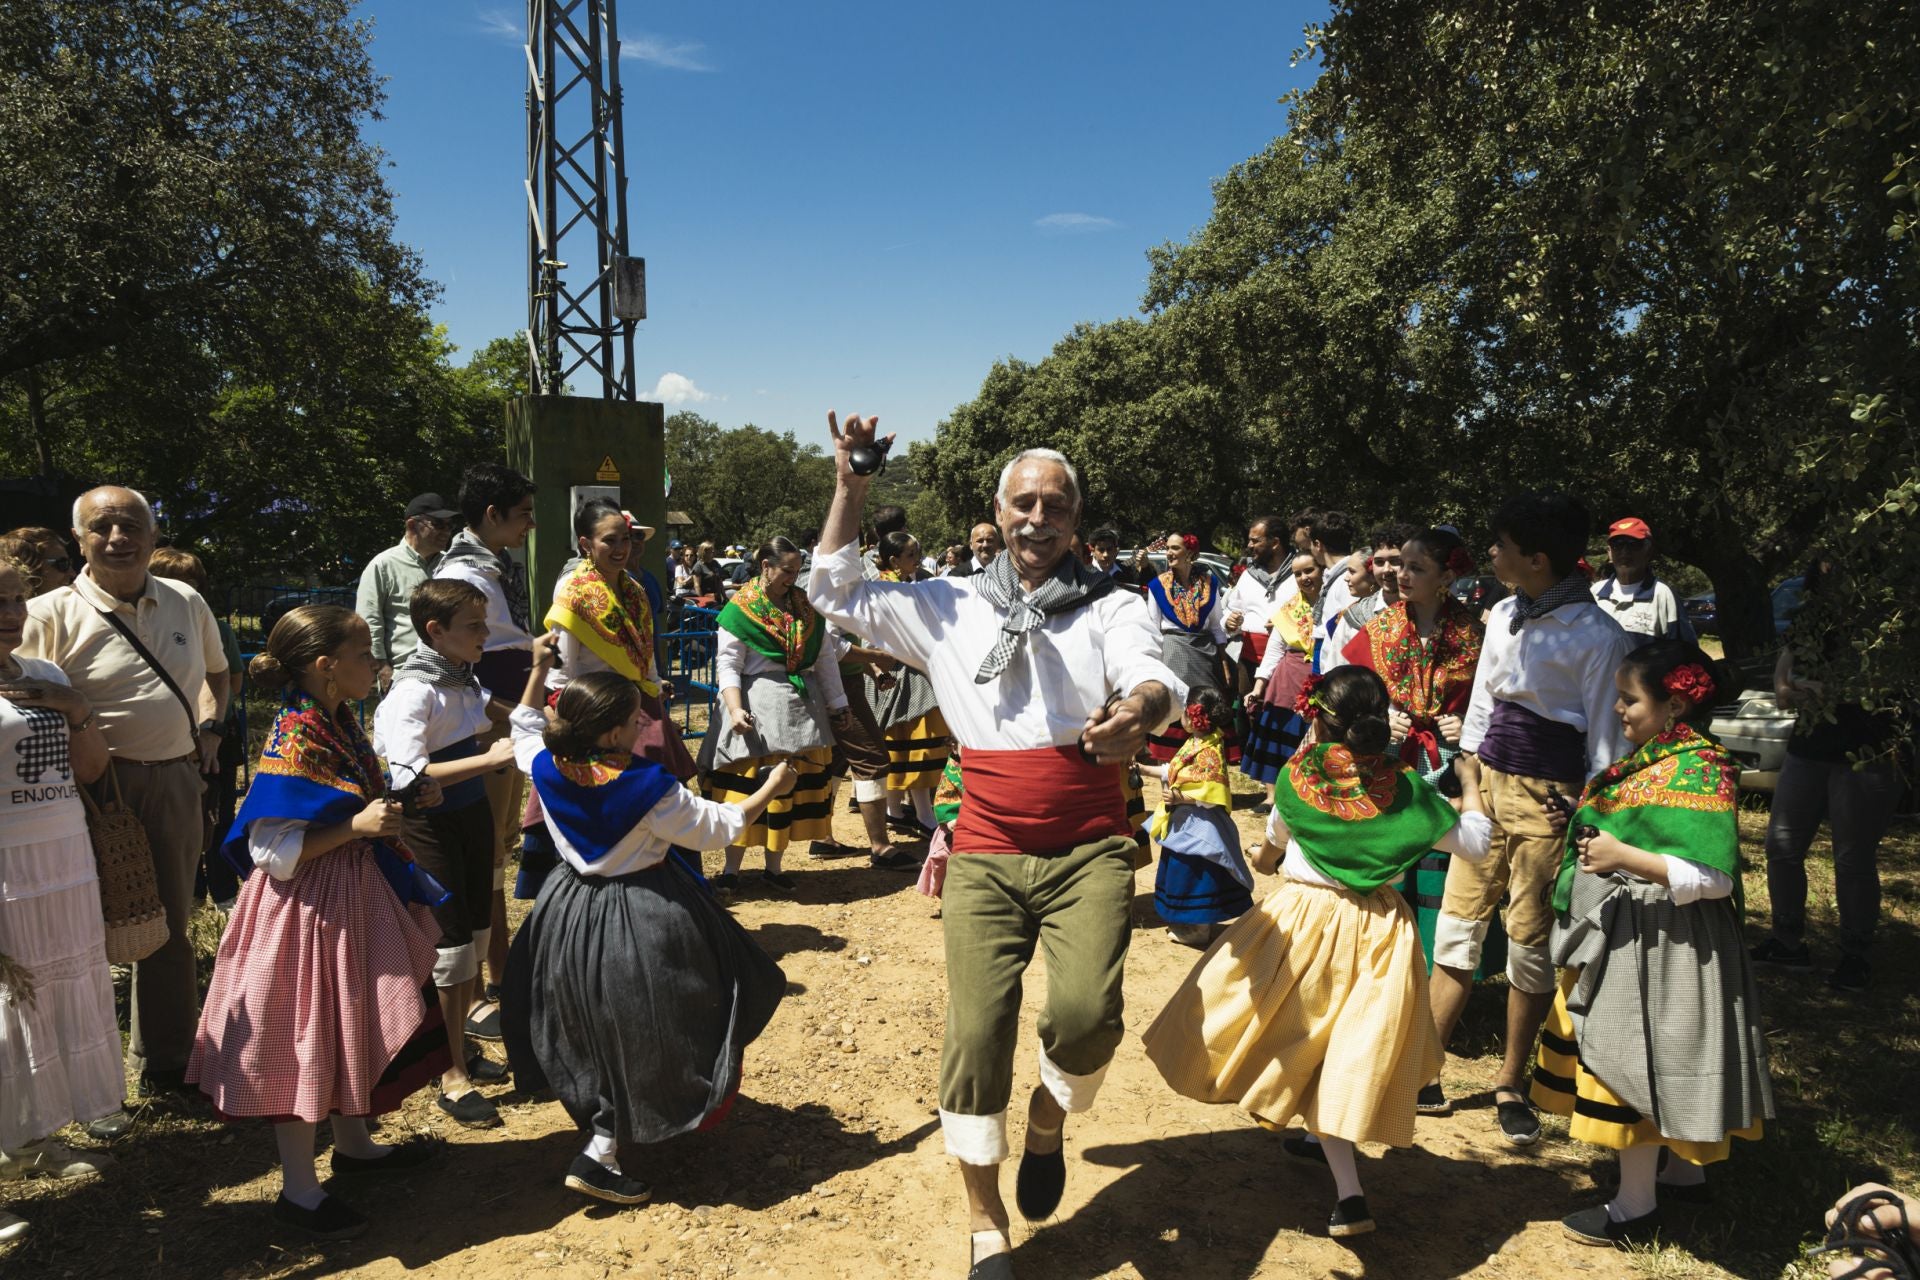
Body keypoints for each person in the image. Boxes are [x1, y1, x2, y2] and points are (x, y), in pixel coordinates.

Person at [810, 414, 1179, 1280]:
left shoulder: (1113, 605)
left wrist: (1142, 711)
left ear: (1075, 521)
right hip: (982, 847)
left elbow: (1153, 672)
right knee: (976, 1035)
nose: (1037, 518)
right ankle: (986, 1225)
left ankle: (1048, 1121)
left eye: (1055, 505)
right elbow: (833, 588)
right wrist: (852, 484)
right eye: (1024, 503)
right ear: (999, 511)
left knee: (1086, 1019)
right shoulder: (947, 606)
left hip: (1089, 845)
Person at [1143, 667, 1491, 1239]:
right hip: (1378, 930)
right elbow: (1475, 846)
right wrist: (1472, 785)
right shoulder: (1407, 791)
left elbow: (1276, 841)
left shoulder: (1299, 778)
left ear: (1319, 719)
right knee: (1346, 1045)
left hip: (1302, 920)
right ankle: (1335, 1169)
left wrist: (1264, 857)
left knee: (1290, 1030)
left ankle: (1349, 1189)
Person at [188, 605, 449, 1239]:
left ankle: (355, 1146)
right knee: (306, 1034)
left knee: (345, 1024)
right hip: (304, 913)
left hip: (347, 901)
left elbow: (349, 797)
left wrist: (404, 797)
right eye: (364, 656)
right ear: (327, 668)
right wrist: (354, 828)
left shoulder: (334, 724)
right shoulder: (295, 736)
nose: (375, 666)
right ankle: (299, 1191)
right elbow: (269, 853)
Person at [502, 646, 795, 1205]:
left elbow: (524, 726)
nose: (644, 719)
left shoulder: (545, 759)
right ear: (612, 733)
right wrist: (771, 789)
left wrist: (539, 670)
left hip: (566, 907)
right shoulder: (650, 788)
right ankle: (605, 1149)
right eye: (635, 715)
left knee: (587, 1021)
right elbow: (722, 827)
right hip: (641, 912)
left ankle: (602, 1128)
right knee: (653, 1022)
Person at [1532, 639, 1771, 1246]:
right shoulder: (1656, 758)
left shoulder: (1701, 768)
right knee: (1667, 1057)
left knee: (1633, 1059)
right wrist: (1585, 824)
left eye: (1629, 699)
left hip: (1668, 945)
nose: (1617, 710)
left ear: (1674, 706)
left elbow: (1714, 878)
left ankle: (1635, 1207)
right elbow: (1631, 823)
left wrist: (1622, 855)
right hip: (1641, 932)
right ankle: (1684, 1173)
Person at [19, 486, 229, 1138]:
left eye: (131, 523)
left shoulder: (186, 601)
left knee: (163, 922)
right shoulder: (47, 612)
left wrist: (211, 726)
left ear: (152, 531)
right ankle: (78, 1086)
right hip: (84, 793)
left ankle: (165, 1066)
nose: (118, 536)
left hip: (171, 783)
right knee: (80, 936)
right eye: (102, 526)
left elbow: (219, 674)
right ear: (78, 538)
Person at [1429, 492, 1633, 1142]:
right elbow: (1485, 703)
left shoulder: (1599, 634)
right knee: (1457, 928)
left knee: (1528, 942)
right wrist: (1468, 781)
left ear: (1537, 558)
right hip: (1486, 783)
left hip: (1551, 801)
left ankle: (1511, 1081)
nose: (1491, 553)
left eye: (1503, 546)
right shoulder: (1503, 614)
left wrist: (1587, 810)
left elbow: (1606, 737)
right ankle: (1424, 1069)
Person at [372, 579, 521, 1129]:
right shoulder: (415, 691)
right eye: (474, 626)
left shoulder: (458, 676)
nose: (485, 634)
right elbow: (406, 773)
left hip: (468, 815)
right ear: (436, 632)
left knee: (475, 937)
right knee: (451, 946)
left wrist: (540, 711)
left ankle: (457, 1046)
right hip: (430, 823)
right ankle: (450, 1073)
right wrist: (487, 761)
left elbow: (491, 708)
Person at [0, 557, 119, 1238]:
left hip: (64, 858)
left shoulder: (44, 674)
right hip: (6, 869)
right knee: (3, 1016)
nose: (11, 614)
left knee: (49, 1001)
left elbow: (92, 768)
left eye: (17, 600)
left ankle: (28, 1139)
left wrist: (77, 710)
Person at [1750, 557, 1905, 992]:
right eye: (1823, 570)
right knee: (1780, 847)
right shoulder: (1810, 621)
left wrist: (1832, 690)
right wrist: (1785, 686)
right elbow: (1785, 672)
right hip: (1808, 747)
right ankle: (1787, 942)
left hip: (1866, 753)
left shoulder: (1888, 622)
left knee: (1852, 859)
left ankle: (1855, 955)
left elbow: (1890, 685)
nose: (1829, 574)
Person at [1340, 527, 1484, 968]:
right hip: (1391, 755)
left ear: (1445, 577)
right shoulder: (1380, 627)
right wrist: (1382, 717)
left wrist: (1469, 722)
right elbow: (1354, 693)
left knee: (1442, 858)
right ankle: (1383, 961)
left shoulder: (1472, 633)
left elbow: (1492, 695)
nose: (1401, 574)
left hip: (1448, 760)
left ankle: (1436, 966)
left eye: (1416, 567)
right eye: (1401, 564)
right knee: (1391, 849)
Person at [433, 463, 536, 1038]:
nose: (530, 525)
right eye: (521, 515)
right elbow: (473, 660)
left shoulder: (494, 565)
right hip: (490, 716)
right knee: (488, 851)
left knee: (499, 846)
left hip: (509, 707)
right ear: (492, 515)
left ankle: (497, 974)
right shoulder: (465, 573)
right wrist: (511, 713)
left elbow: (510, 636)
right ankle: (476, 992)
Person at [698, 536, 848, 902]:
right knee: (745, 787)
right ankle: (732, 870)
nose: (792, 579)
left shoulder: (804, 608)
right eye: (787, 571)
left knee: (786, 790)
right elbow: (729, 665)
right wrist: (734, 709)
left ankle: (774, 868)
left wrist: (838, 704)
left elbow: (824, 658)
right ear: (766, 566)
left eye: (797, 572)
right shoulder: (741, 610)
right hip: (755, 708)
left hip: (799, 708)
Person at [546, 500, 694, 779]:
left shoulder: (634, 589)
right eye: (609, 541)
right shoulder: (574, 593)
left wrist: (654, 687)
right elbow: (561, 673)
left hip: (641, 708)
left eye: (624, 539)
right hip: (597, 716)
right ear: (586, 544)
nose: (621, 549)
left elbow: (644, 649)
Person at [147, 547, 247, 910]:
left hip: (217, 732)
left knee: (218, 812)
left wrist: (211, 720)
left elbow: (232, 683)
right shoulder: (142, 627)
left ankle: (224, 892)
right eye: (172, 583)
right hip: (167, 733)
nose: (185, 593)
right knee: (178, 816)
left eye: (192, 584)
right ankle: (190, 890)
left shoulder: (217, 628)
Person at [1145, 687, 1251, 947]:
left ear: (1193, 718)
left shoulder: (1209, 751)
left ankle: (1198, 928)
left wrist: (1181, 798)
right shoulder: (1198, 743)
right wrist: (1141, 769)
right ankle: (1187, 922)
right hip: (1185, 823)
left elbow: (1213, 789)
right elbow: (1174, 769)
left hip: (1200, 827)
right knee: (1183, 872)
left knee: (1195, 874)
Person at [869, 532, 951, 841]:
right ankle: (920, 814)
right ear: (894, 560)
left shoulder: (902, 586)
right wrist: (878, 669)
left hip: (908, 669)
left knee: (909, 741)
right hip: (895, 671)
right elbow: (873, 634)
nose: (917, 560)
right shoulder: (884, 589)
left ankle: (900, 811)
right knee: (914, 739)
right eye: (911, 555)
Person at [355, 492, 458, 686]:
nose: (446, 532)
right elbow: (368, 620)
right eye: (438, 524)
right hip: (403, 675)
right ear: (412, 525)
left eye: (449, 526)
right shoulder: (383, 565)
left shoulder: (451, 565)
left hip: (450, 672)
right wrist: (382, 666)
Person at [1143, 533, 1230, 763]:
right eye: (1168, 548)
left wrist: (1223, 660)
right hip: (1173, 652)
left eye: (1175, 548)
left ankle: (1205, 763)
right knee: (1176, 702)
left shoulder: (1209, 585)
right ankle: (1170, 765)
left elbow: (1217, 626)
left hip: (1204, 653)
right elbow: (1152, 629)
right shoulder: (1157, 586)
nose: (1169, 553)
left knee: (1204, 703)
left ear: (1190, 553)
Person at [1241, 553, 1323, 786]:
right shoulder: (1290, 610)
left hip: (1320, 677)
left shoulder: (1334, 607)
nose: (1304, 577)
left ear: (1322, 570)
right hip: (1287, 682)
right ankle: (1271, 797)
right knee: (1278, 739)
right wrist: (1258, 688)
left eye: (1309, 570)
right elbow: (1274, 651)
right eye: (1298, 574)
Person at [1326, 523, 1420, 670]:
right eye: (1379, 562)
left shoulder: (1428, 614)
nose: (1387, 570)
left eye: (1395, 561)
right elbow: (1335, 670)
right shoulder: (1356, 617)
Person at [1590, 517, 1695, 646]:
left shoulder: (1662, 595)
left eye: (1634, 544)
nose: (1625, 552)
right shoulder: (1594, 593)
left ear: (1648, 550)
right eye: (1617, 545)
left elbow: (1686, 652)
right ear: (1609, 552)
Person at [1222, 516, 1290, 697]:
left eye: (1255, 540)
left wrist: (1287, 626)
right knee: (1248, 715)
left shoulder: (1298, 576)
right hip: (1248, 661)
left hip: (1285, 662)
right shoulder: (1247, 576)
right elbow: (1230, 608)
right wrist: (1228, 621)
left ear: (1275, 542)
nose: (1249, 546)